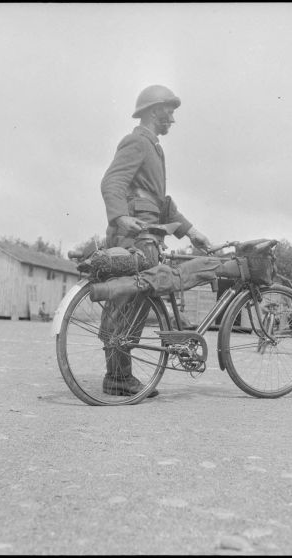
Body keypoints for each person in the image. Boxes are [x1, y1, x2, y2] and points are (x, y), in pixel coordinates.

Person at [98, 85, 212, 397]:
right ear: (153, 112)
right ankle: (118, 378)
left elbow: (162, 202)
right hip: (132, 235)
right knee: (125, 303)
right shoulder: (137, 141)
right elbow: (112, 181)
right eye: (169, 112)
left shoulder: (154, 148)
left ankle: (120, 376)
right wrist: (120, 217)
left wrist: (191, 231)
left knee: (135, 303)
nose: (173, 119)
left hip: (146, 234)